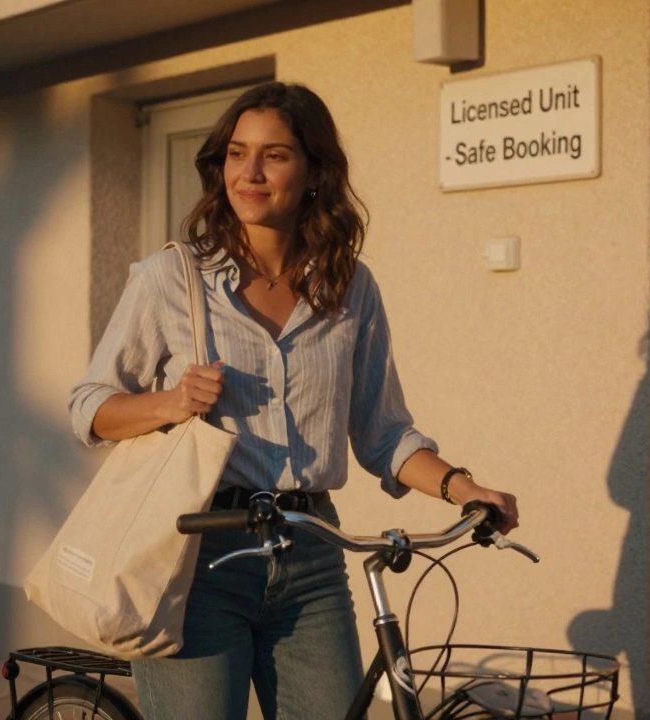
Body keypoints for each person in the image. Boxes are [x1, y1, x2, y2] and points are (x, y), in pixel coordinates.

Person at [68, 81, 520, 720]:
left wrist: (463, 487)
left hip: (311, 559)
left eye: (274, 155)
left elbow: (382, 432)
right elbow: (88, 407)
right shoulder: (171, 278)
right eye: (236, 153)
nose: (249, 172)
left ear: (314, 173)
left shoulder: (349, 287)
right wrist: (168, 404)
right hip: (199, 557)